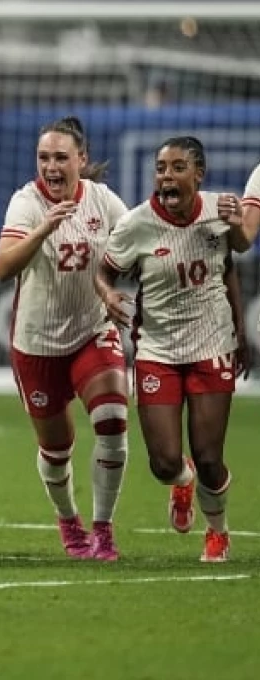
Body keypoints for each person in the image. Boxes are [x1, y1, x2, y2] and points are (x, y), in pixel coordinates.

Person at [96, 136, 244, 563]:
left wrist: (239, 331)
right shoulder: (136, 224)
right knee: (163, 462)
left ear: (199, 174)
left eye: (178, 167)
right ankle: (182, 482)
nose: (166, 176)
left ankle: (218, 532)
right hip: (158, 349)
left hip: (211, 344)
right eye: (161, 168)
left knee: (210, 457)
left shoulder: (221, 212)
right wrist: (107, 295)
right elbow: (103, 272)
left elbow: (230, 264)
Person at [0, 117, 129, 561]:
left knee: (111, 420)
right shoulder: (26, 203)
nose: (51, 167)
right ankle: (69, 521)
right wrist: (43, 229)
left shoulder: (103, 201)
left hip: (92, 330)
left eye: (61, 158)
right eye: (44, 157)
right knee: (56, 450)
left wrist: (113, 290)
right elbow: (1, 268)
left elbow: (138, 244)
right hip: (37, 344)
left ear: (81, 161)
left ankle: (104, 529)